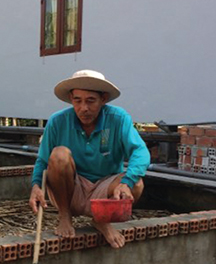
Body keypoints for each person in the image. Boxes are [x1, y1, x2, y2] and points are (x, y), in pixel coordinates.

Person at [29, 70, 150, 249]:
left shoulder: (118, 119)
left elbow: (140, 151)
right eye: (78, 100)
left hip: (104, 187)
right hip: (71, 188)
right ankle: (65, 216)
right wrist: (36, 186)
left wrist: (127, 182)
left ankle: (101, 220)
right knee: (59, 154)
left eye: (91, 101)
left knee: (137, 184)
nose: (84, 108)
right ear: (71, 99)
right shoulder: (57, 121)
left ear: (103, 99)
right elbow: (43, 160)